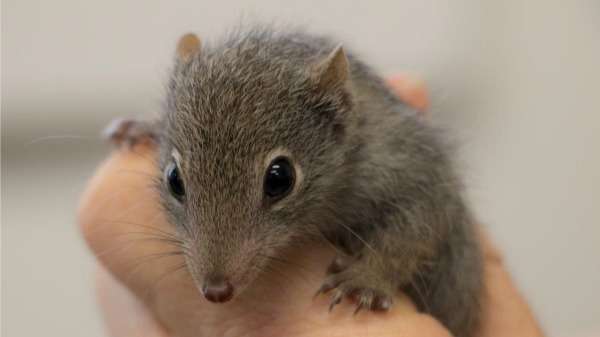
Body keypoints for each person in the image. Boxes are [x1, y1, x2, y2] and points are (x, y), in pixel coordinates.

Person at [78, 75, 545, 337]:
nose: (214, 283)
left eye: (277, 181)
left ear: (336, 114)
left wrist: (377, 271)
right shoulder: (199, 120)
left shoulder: (385, 154)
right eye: (177, 181)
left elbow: (431, 201)